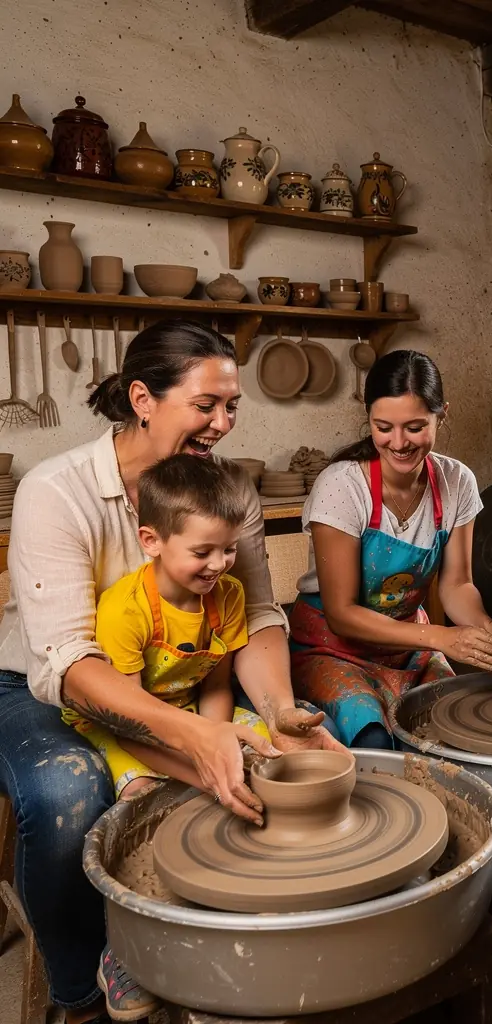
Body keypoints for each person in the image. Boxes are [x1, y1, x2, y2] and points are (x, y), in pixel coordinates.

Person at [0, 320, 339, 1024]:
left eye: (232, 406)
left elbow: (257, 619)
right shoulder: (54, 491)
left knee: (277, 756)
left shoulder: (220, 490)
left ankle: (218, 935)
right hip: (45, 680)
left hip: (176, 679)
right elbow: (70, 661)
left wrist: (276, 711)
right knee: (67, 795)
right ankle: (81, 989)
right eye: (206, 405)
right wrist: (192, 737)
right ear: (143, 399)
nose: (223, 423)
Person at [290, 349, 492, 747]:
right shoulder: (342, 486)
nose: (398, 443)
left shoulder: (457, 481)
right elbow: (342, 614)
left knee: (458, 723)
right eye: (384, 427)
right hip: (331, 648)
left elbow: (457, 585)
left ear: (442, 414)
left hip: (409, 648)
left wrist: (485, 630)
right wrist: (440, 638)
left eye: (415, 427)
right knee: (374, 739)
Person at [67, 454, 273, 801]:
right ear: (151, 541)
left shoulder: (228, 596)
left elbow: (217, 687)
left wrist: (214, 739)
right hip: (116, 725)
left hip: (187, 712)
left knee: (263, 752)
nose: (219, 564)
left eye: (229, 548)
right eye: (202, 551)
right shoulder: (126, 611)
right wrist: (204, 775)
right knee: (145, 792)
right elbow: (127, 722)